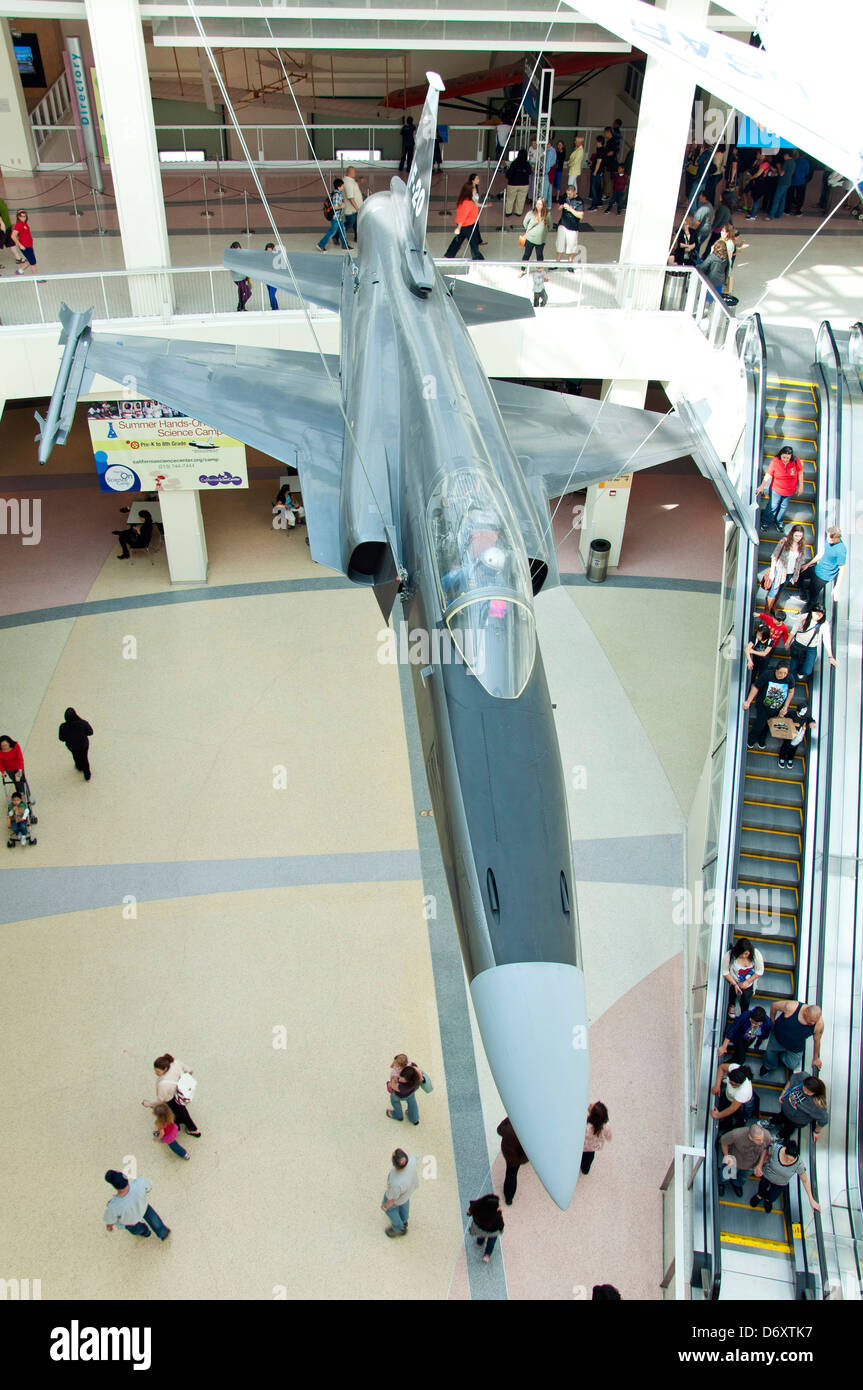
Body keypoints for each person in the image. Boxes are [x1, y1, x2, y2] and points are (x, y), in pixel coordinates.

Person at [749, 1138, 820, 1216]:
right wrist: (760, 1165)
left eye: (791, 1160)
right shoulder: (776, 1149)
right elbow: (766, 1151)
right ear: (785, 1150)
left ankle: (768, 1201)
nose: (788, 1161)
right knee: (762, 1187)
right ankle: (759, 1196)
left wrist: (811, 1199)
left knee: (772, 1196)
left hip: (780, 1184)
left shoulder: (798, 1164)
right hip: (767, 1176)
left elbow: (805, 1180)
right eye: (787, 1158)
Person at [142, 1052, 201, 1136]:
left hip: (172, 1099)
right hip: (182, 1094)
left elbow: (161, 1100)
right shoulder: (176, 1063)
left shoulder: (163, 1083)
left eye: (157, 1071)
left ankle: (193, 1130)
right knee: (181, 1111)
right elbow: (190, 1071)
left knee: (182, 1113)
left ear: (165, 1069)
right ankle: (179, 1123)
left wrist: (148, 1103)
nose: (155, 1073)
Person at [759, 1000, 823, 1077]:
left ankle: (781, 1055)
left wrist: (816, 1058)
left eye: (814, 1022)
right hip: (778, 1039)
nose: (812, 1023)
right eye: (811, 1020)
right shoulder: (791, 1007)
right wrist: (772, 1021)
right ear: (805, 1012)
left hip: (795, 1047)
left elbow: (817, 1041)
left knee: (792, 1065)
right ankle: (768, 1066)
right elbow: (774, 1005)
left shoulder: (819, 1024)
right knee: (770, 1055)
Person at [103, 1170, 171, 1240]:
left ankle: (146, 1232)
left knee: (137, 1229)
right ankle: (163, 1233)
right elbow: (148, 1188)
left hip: (130, 1222)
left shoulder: (113, 1206)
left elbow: (110, 1220)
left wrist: (109, 1226)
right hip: (143, 1207)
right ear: (126, 1178)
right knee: (154, 1219)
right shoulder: (140, 1183)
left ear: (115, 1187)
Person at [743, 661, 793, 749]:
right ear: (776, 670)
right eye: (780, 672)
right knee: (760, 723)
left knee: (768, 724)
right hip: (763, 705)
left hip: (777, 707)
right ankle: (751, 739)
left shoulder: (789, 678)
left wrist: (785, 707)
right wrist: (748, 701)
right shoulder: (768, 675)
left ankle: (762, 739)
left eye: (785, 673)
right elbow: (756, 687)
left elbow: (791, 691)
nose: (783, 675)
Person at [784, 607, 837, 687]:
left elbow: (826, 639)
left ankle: (799, 672)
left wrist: (830, 656)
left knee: (807, 670)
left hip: (811, 648)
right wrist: (788, 642)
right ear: (811, 612)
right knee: (793, 667)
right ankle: (792, 685)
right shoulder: (803, 617)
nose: (818, 616)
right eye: (816, 614)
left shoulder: (824, 624)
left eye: (820, 615)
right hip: (798, 645)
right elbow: (794, 630)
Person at [757, 445, 804, 532]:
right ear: (780, 455)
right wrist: (762, 486)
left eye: (788, 458)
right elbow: (768, 474)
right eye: (784, 457)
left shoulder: (795, 460)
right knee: (773, 506)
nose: (785, 459)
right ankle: (765, 522)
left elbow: (800, 473)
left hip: (789, 491)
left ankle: (779, 522)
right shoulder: (775, 461)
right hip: (776, 490)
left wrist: (801, 486)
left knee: (783, 507)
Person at [761, 524, 807, 613]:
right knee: (773, 591)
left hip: (790, 573)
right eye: (796, 535)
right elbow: (774, 556)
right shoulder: (784, 541)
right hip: (780, 571)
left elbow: (800, 559)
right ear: (792, 534)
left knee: (780, 590)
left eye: (800, 536)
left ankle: (773, 606)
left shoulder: (801, 545)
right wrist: (772, 572)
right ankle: (766, 613)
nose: (798, 538)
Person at [718, 1122, 770, 1198]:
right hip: (734, 1163)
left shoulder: (766, 1136)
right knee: (725, 1176)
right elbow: (723, 1141)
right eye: (758, 1140)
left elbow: (765, 1149)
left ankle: (737, 1185)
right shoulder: (736, 1134)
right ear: (750, 1137)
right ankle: (722, 1184)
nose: (762, 1141)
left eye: (762, 1138)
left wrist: (760, 1165)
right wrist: (727, 1156)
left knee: (742, 1179)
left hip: (751, 1166)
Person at [799, 527, 847, 608]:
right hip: (817, 568)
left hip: (823, 577)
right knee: (800, 574)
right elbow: (822, 553)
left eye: (831, 539)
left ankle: (807, 610)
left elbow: (842, 569)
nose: (828, 540)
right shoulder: (829, 539)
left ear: (837, 538)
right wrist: (808, 564)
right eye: (827, 537)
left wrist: (837, 587)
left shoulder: (841, 551)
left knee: (813, 594)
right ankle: (802, 591)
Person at [778, 1072, 829, 1142]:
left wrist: (817, 1132)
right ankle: (771, 1122)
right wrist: (784, 1092)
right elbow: (791, 1080)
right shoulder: (802, 1077)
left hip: (795, 1121)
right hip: (785, 1108)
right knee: (779, 1117)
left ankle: (780, 1136)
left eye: (809, 1092)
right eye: (804, 1089)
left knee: (788, 1129)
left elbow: (824, 1119)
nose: (805, 1092)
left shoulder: (817, 1105)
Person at [444, 174, 484, 260]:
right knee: (473, 243)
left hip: (467, 224)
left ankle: (448, 255)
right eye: (473, 190)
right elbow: (463, 216)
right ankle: (478, 258)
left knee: (458, 241)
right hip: (467, 225)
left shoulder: (463, 200)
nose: (475, 192)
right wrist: (458, 227)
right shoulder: (468, 202)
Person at [721, 937, 765, 1015]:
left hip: (749, 983)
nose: (744, 956)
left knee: (745, 1001)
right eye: (742, 954)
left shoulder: (756, 955)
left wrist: (748, 982)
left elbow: (759, 971)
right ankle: (732, 1005)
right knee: (732, 994)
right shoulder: (730, 955)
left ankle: (743, 1015)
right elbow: (725, 972)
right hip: (734, 981)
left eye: (746, 954)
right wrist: (734, 984)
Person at [381, 1147, 418, 1236]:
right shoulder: (412, 1159)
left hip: (397, 1196)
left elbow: (392, 1199)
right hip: (408, 1191)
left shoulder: (396, 1183)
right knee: (404, 1202)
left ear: (394, 1163)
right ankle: (404, 1220)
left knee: (390, 1209)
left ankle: (399, 1228)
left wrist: (385, 1206)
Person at [710, 1063, 757, 1129]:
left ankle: (734, 1128)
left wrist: (717, 1115)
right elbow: (722, 1067)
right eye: (731, 1083)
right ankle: (727, 1123)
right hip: (729, 1097)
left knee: (740, 1119)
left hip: (742, 1105)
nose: (732, 1086)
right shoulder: (735, 1068)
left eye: (735, 1085)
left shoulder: (743, 1091)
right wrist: (717, 1085)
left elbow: (732, 1108)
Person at [497, 1116, 529, 1204]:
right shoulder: (530, 1129)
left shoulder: (510, 1127)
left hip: (509, 1154)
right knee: (512, 1174)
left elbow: (499, 1129)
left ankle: (508, 1197)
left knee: (511, 1175)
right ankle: (509, 1197)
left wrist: (509, 1118)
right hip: (520, 1157)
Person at [467, 1193, 504, 1262]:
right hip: (492, 1232)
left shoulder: (476, 1206)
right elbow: (500, 1225)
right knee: (491, 1242)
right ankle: (487, 1255)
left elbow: (468, 1213)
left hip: (479, 1228)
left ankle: (479, 1243)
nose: (499, 1206)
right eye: (498, 1205)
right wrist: (499, 1212)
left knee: (481, 1235)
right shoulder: (497, 1217)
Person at [58, 707, 93, 780]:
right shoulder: (82, 723)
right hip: (83, 745)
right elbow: (90, 732)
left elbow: (62, 738)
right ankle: (87, 775)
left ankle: (79, 766)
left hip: (72, 746)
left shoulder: (63, 727)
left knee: (75, 755)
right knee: (84, 758)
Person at [386, 1058, 425, 1125]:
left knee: (394, 1101)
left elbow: (392, 1086)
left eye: (402, 1079)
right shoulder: (414, 1072)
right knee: (412, 1103)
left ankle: (398, 1115)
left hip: (399, 1095)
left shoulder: (402, 1087)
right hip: (411, 1092)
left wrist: (389, 1083)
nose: (400, 1079)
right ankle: (414, 1119)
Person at [317, 179, 348, 252]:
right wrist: (342, 206)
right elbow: (335, 207)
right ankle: (321, 244)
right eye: (342, 186)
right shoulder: (337, 195)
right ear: (339, 186)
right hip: (336, 217)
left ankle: (344, 245)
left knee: (342, 230)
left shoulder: (338, 193)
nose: (343, 187)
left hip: (339, 217)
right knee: (332, 231)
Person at [581, 1100, 612, 1174]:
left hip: (582, 1147)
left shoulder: (586, 1127)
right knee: (588, 1161)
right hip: (592, 1148)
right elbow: (609, 1137)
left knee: (579, 1158)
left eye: (592, 1106)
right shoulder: (606, 1126)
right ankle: (585, 1170)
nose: (590, 1104)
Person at [519, 196, 551, 266]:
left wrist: (544, 232)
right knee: (527, 254)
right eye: (537, 203)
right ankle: (523, 269)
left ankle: (540, 269)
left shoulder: (547, 215)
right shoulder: (531, 213)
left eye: (540, 204)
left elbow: (550, 225)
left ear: (543, 205)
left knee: (539, 256)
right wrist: (530, 231)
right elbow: (525, 223)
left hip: (541, 240)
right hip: (530, 238)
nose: (538, 205)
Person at [556, 184, 584, 262]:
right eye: (567, 193)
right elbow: (558, 205)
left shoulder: (579, 201)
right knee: (559, 245)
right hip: (562, 224)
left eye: (570, 194)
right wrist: (560, 207)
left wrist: (570, 209)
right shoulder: (565, 196)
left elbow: (581, 215)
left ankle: (570, 263)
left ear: (574, 192)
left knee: (571, 247)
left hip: (572, 227)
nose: (568, 195)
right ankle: (557, 262)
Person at [504, 149, 531, 222]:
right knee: (521, 199)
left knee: (510, 199)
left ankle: (508, 212)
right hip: (524, 184)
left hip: (513, 184)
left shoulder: (514, 163)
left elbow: (509, 174)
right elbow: (529, 172)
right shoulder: (527, 164)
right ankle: (518, 212)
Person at [767, 152, 796, 220]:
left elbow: (781, 173)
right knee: (783, 199)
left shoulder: (787, 162)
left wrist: (779, 167)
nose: (783, 157)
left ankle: (771, 215)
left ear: (787, 155)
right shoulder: (793, 162)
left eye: (784, 155)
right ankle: (779, 214)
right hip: (788, 182)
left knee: (776, 199)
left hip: (782, 182)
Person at [341, 166, 363, 244]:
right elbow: (350, 197)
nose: (355, 173)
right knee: (349, 223)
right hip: (351, 209)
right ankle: (337, 234)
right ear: (350, 173)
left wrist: (358, 181)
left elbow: (354, 184)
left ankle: (357, 238)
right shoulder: (348, 183)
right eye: (354, 172)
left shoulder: (350, 181)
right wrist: (357, 208)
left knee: (356, 224)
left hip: (354, 209)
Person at [11, 210, 36, 275]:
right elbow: (13, 236)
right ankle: (36, 278)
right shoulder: (18, 224)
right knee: (33, 262)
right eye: (21, 216)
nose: (23, 218)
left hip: (29, 245)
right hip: (25, 246)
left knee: (30, 260)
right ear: (18, 217)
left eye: (24, 216)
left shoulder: (24, 224)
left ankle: (19, 271)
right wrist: (20, 245)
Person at [228, 242, 251, 310]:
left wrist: (248, 279)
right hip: (238, 278)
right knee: (248, 293)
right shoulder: (231, 257)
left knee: (241, 293)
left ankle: (240, 307)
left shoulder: (242, 256)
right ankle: (241, 306)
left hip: (243, 277)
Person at [690, 192, 714, 258]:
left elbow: (697, 222)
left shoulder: (703, 208)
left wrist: (691, 231)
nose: (699, 197)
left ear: (704, 197)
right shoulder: (709, 206)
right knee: (697, 246)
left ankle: (695, 261)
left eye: (700, 196)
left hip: (701, 231)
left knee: (695, 247)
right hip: (706, 230)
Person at [587, 139, 605, 210]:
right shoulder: (602, 150)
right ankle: (599, 202)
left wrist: (595, 171)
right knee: (598, 188)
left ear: (600, 142)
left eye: (597, 142)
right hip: (600, 172)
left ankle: (594, 205)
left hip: (597, 172)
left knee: (594, 188)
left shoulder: (600, 150)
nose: (596, 143)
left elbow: (599, 161)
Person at [263, 243, 279, 309]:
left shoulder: (276, 258)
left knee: (272, 295)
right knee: (270, 295)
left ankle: (275, 308)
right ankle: (274, 307)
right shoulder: (265, 259)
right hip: (268, 279)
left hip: (275, 279)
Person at [552, 139, 567, 203]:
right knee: (554, 182)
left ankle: (557, 197)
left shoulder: (563, 153)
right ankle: (554, 195)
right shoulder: (556, 152)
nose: (559, 146)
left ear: (563, 146)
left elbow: (561, 160)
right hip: (555, 169)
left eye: (560, 145)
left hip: (559, 170)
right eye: (558, 145)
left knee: (558, 183)